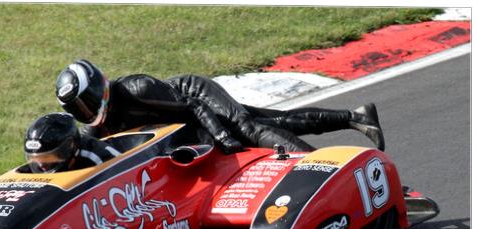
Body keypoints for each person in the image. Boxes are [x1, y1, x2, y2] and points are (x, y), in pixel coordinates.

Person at [54, 59, 385, 154]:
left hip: (196, 95)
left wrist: (223, 139)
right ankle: (356, 117)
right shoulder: (94, 126)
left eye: (86, 102)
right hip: (190, 116)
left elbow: (195, 106)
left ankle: (321, 167)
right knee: (277, 120)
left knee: (248, 129)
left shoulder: (135, 88)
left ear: (99, 87)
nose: (86, 112)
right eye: (77, 109)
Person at [24, 112, 120, 173]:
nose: (41, 165)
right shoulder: (38, 167)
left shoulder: (99, 158)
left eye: (47, 157)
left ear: (70, 147)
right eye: (36, 158)